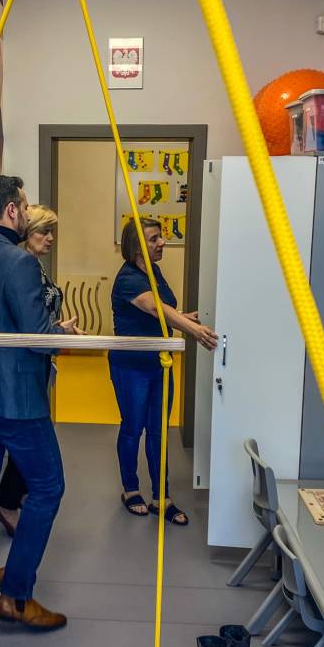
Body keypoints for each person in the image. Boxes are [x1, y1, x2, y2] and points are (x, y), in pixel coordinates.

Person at [0, 176, 77, 631]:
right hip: (16, 399)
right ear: (11, 210)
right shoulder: (20, 262)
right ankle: (16, 597)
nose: (26, 213)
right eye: (23, 207)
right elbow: (38, 338)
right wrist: (63, 334)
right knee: (48, 487)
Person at [109, 217, 218, 525]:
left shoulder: (153, 271)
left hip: (159, 363)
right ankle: (131, 490)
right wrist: (193, 330)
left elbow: (164, 310)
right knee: (133, 429)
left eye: (161, 236)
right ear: (137, 246)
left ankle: (162, 497)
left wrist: (183, 316)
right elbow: (154, 308)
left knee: (158, 431)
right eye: (154, 238)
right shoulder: (128, 278)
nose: (162, 242)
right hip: (132, 366)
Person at [0, 204, 67, 538]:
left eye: (52, 232)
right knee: (30, 439)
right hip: (25, 363)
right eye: (43, 231)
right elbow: (28, 325)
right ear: (27, 232)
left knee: (28, 436)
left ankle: (11, 498)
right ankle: (7, 502)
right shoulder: (22, 266)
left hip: (39, 361)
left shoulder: (34, 266)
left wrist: (59, 330)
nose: (50, 238)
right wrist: (59, 333)